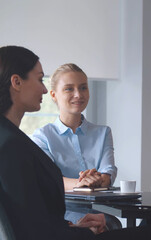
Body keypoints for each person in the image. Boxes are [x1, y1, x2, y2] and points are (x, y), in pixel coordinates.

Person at [0, 45, 105, 239]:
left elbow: (31, 219)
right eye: (40, 79)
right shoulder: (10, 146)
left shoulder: (11, 139)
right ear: (16, 82)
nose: (43, 88)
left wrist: (75, 226)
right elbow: (30, 232)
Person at [29, 63, 118, 224]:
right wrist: (81, 183)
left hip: (103, 213)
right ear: (54, 95)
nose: (78, 94)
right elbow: (49, 179)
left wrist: (96, 180)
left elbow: (108, 172)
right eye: (69, 89)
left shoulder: (103, 133)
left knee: (116, 225)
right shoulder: (42, 137)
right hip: (62, 215)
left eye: (83, 88)